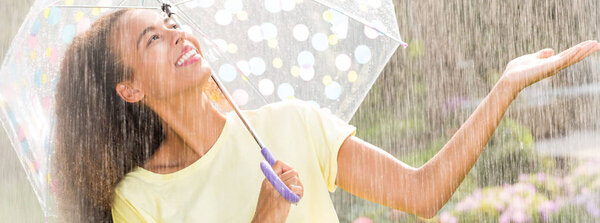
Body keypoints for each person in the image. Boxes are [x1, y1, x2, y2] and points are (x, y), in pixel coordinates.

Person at [52, 8, 600, 223]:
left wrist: (503, 88)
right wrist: (265, 214)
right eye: (153, 38)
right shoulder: (140, 199)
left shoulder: (295, 123)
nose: (177, 35)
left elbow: (424, 193)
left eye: (171, 22)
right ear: (129, 88)